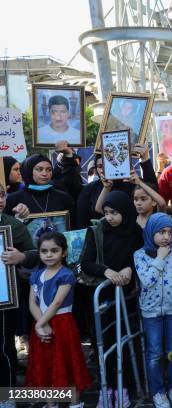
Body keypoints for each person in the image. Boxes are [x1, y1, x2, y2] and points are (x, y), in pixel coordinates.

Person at [80, 191, 144, 407]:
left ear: (125, 211)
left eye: (114, 213)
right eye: (107, 213)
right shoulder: (97, 231)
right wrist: (106, 271)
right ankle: (106, 388)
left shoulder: (135, 231)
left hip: (126, 294)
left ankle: (124, 387)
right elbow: (86, 262)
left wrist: (129, 268)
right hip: (103, 294)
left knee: (126, 340)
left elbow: (141, 257)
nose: (110, 217)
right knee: (104, 341)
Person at [134, 213, 172, 408]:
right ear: (151, 232)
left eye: (169, 232)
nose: (167, 236)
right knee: (154, 353)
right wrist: (159, 259)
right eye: (161, 232)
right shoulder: (140, 255)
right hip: (150, 313)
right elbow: (147, 281)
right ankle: (158, 392)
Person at [26, 232, 92, 408]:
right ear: (39, 252)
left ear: (63, 252)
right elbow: (32, 303)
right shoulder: (36, 275)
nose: (48, 255)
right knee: (46, 365)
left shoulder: (66, 275)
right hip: (42, 325)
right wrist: (41, 325)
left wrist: (41, 325)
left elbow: (56, 303)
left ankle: (74, 404)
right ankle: (51, 404)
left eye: (54, 251)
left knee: (67, 363)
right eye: (44, 251)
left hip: (62, 325)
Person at [0, 183, 35, 404]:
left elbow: (34, 253)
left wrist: (20, 257)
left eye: (2, 194)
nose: (0, 199)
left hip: (4, 299)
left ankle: (8, 394)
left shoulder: (13, 225)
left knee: (3, 347)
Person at [76, 144, 156, 229]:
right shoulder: (89, 189)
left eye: (107, 165)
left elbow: (155, 196)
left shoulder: (132, 184)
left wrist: (145, 160)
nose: (104, 170)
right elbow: (82, 222)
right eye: (100, 166)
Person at [5, 154, 74, 221]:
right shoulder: (13, 199)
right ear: (29, 171)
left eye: (49, 170)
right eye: (39, 169)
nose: (45, 174)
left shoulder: (64, 198)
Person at [96, 169, 166, 229]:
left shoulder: (157, 218)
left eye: (143, 199)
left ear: (154, 201)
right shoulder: (130, 217)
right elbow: (99, 209)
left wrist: (140, 183)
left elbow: (162, 203)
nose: (138, 203)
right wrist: (106, 188)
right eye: (135, 199)